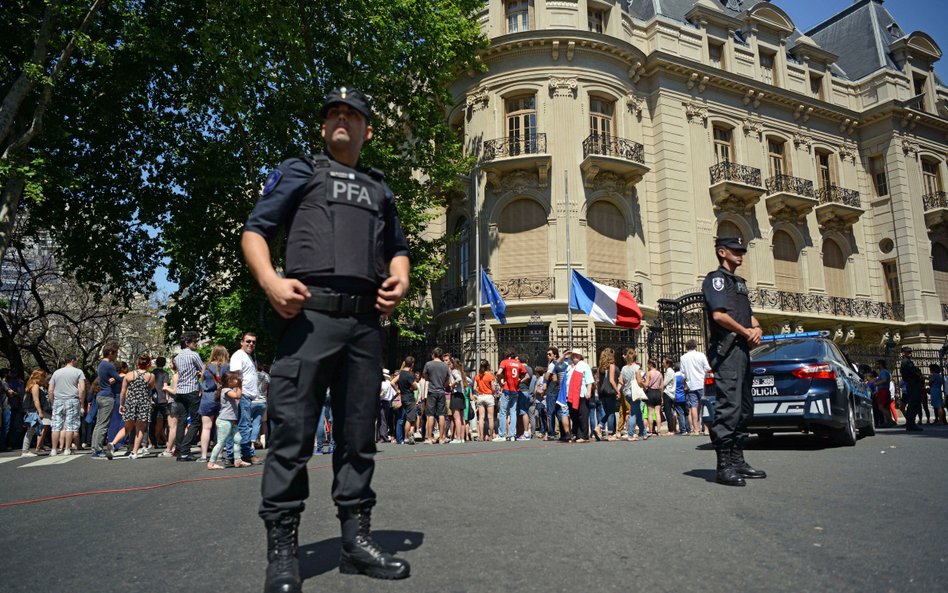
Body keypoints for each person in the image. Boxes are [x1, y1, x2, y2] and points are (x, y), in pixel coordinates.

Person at [242, 86, 411, 590]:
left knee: (358, 438)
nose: (342, 119)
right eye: (334, 113)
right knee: (292, 436)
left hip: (364, 327)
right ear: (323, 128)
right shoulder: (300, 170)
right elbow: (256, 231)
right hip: (308, 320)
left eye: (352, 114)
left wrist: (400, 277)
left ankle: (356, 542)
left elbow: (397, 248)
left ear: (367, 129)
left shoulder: (381, 189)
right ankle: (283, 552)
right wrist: (272, 283)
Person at [702, 236, 766, 486]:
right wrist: (745, 331)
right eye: (735, 250)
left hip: (742, 350)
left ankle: (738, 459)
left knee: (745, 407)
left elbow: (748, 315)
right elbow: (719, 316)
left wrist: (757, 327)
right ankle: (724, 466)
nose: (741, 254)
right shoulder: (716, 280)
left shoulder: (739, 283)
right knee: (729, 407)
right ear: (722, 252)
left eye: (742, 250)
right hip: (727, 351)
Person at [208, 371, 251, 470]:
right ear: (229, 381)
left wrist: (238, 386)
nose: (237, 380)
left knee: (237, 439)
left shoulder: (229, 389)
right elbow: (237, 396)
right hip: (224, 421)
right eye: (235, 379)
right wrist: (240, 385)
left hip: (230, 421)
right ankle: (211, 463)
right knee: (221, 442)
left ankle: (237, 460)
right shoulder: (226, 390)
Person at [231, 332, 262, 464]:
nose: (251, 344)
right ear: (242, 342)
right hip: (242, 395)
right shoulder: (239, 355)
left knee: (244, 425)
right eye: (248, 341)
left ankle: (237, 454)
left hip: (247, 396)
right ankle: (247, 454)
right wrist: (237, 395)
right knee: (244, 426)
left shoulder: (248, 356)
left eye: (253, 342)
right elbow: (235, 376)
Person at [173, 332, 204, 462]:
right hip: (191, 390)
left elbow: (184, 372)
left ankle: (179, 450)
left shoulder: (177, 358)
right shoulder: (194, 355)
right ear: (187, 343)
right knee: (196, 421)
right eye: (194, 341)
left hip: (180, 391)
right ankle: (185, 450)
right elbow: (203, 370)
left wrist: (194, 373)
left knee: (182, 420)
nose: (196, 343)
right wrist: (199, 374)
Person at [118, 353, 156, 459]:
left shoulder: (129, 374)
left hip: (130, 402)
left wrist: (121, 404)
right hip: (143, 403)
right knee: (140, 429)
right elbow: (151, 387)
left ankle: (112, 444)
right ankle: (134, 452)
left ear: (137, 363)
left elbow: (123, 391)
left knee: (127, 427)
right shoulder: (151, 376)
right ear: (149, 364)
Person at [48, 354, 87, 455]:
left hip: (58, 400)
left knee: (56, 426)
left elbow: (50, 389)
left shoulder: (56, 372)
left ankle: (53, 449)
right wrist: (82, 403)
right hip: (72, 400)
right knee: (70, 425)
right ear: (73, 360)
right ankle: (67, 449)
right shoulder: (78, 372)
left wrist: (52, 402)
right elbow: (82, 389)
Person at [91, 343, 121, 459]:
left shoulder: (101, 365)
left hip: (100, 395)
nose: (116, 355)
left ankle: (95, 447)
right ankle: (98, 450)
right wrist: (129, 376)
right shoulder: (109, 365)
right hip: (107, 396)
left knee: (99, 424)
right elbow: (119, 379)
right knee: (103, 425)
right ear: (110, 353)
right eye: (115, 353)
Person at [200, 346, 229, 462]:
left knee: (206, 427)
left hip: (207, 397)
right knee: (220, 427)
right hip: (222, 397)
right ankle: (219, 454)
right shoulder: (227, 367)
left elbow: (202, 381)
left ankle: (203, 456)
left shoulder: (206, 366)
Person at [680, 339, 711, 436]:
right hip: (702, 382)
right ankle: (706, 429)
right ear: (695, 346)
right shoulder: (701, 355)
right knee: (705, 405)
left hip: (691, 384)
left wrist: (685, 383)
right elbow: (707, 368)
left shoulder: (683, 357)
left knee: (694, 406)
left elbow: (683, 374)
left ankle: (696, 429)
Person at [564, 348, 594, 443]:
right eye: (573, 355)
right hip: (571, 395)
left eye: (577, 355)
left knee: (582, 415)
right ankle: (577, 434)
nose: (575, 357)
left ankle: (584, 436)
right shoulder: (569, 367)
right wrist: (565, 355)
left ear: (580, 357)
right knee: (574, 415)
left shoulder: (584, 366)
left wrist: (589, 391)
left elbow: (589, 380)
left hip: (581, 394)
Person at [618, 349, 647, 441]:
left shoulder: (623, 368)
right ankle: (630, 434)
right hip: (635, 392)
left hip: (626, 392)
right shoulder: (636, 368)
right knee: (634, 413)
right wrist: (645, 385)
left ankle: (643, 432)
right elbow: (639, 381)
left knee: (637, 412)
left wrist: (618, 390)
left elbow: (620, 381)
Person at [422, 348, 450, 444]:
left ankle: (429, 438)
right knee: (442, 415)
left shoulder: (428, 364)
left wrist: (430, 379)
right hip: (441, 391)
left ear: (433, 354)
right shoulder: (445, 366)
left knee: (430, 415)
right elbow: (448, 380)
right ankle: (442, 438)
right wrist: (443, 385)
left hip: (432, 391)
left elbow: (425, 376)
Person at [497, 347, 526, 441]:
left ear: (507, 356)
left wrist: (500, 382)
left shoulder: (504, 362)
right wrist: (520, 381)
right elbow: (527, 375)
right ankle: (512, 434)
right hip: (515, 390)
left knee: (503, 412)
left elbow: (498, 373)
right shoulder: (518, 364)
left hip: (506, 389)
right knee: (513, 412)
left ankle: (501, 434)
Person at [20, 369, 49, 456]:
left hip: (29, 410)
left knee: (30, 431)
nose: (44, 378)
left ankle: (25, 450)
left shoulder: (30, 385)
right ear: (39, 377)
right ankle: (25, 450)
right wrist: (40, 412)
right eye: (43, 376)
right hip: (33, 410)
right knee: (30, 431)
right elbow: (36, 400)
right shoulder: (35, 386)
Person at [391, 357, 417, 445]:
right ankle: (407, 437)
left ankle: (402, 438)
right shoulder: (410, 374)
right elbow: (415, 386)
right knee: (410, 419)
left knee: (403, 418)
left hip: (403, 397)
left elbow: (392, 382)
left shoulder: (401, 373)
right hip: (410, 397)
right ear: (412, 364)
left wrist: (398, 391)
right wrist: (413, 387)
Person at [596, 348, 619, 440]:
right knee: (611, 413)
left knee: (608, 412)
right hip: (610, 392)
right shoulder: (612, 366)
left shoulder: (600, 368)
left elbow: (598, 381)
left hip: (602, 392)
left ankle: (599, 427)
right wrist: (617, 391)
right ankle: (610, 433)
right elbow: (612, 380)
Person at [899, 347, 924, 432]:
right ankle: (911, 424)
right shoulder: (906, 362)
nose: (910, 353)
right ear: (903, 353)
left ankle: (911, 424)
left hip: (912, 384)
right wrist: (918, 373)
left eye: (910, 352)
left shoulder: (906, 362)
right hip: (913, 384)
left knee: (914, 404)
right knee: (913, 404)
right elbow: (914, 372)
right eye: (908, 352)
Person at [150, 357, 171, 451]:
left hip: (153, 399)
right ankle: (165, 440)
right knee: (165, 422)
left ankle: (153, 442)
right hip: (162, 399)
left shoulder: (152, 373)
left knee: (152, 421)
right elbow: (165, 386)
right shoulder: (165, 374)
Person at [644, 359, 663, 436]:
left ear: (650, 364)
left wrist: (643, 382)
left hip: (650, 392)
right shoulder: (660, 374)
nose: (647, 365)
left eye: (648, 364)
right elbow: (662, 386)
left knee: (650, 413)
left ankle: (651, 430)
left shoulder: (649, 373)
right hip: (657, 392)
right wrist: (661, 396)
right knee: (658, 412)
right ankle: (658, 431)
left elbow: (647, 384)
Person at [378, 369, 395, 443]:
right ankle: (383, 435)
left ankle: (382, 436)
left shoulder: (383, 383)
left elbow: (382, 392)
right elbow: (394, 394)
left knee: (382, 420)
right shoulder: (389, 383)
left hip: (382, 401)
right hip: (387, 402)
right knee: (384, 419)